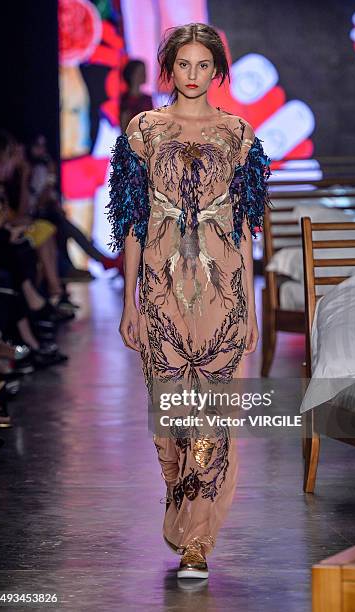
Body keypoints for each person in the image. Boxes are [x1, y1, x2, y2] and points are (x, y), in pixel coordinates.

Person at [107, 23, 271, 580]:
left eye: (205, 65)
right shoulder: (143, 132)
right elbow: (131, 220)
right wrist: (131, 302)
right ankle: (180, 506)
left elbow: (246, 227)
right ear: (169, 69)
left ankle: (197, 540)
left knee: (213, 416)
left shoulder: (240, 135)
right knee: (171, 415)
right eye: (185, 65)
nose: (194, 75)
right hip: (159, 287)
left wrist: (250, 303)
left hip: (223, 291)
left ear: (219, 71)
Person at [119, 59, 153, 133]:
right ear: (132, 75)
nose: (144, 75)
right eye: (141, 72)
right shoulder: (125, 100)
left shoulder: (147, 99)